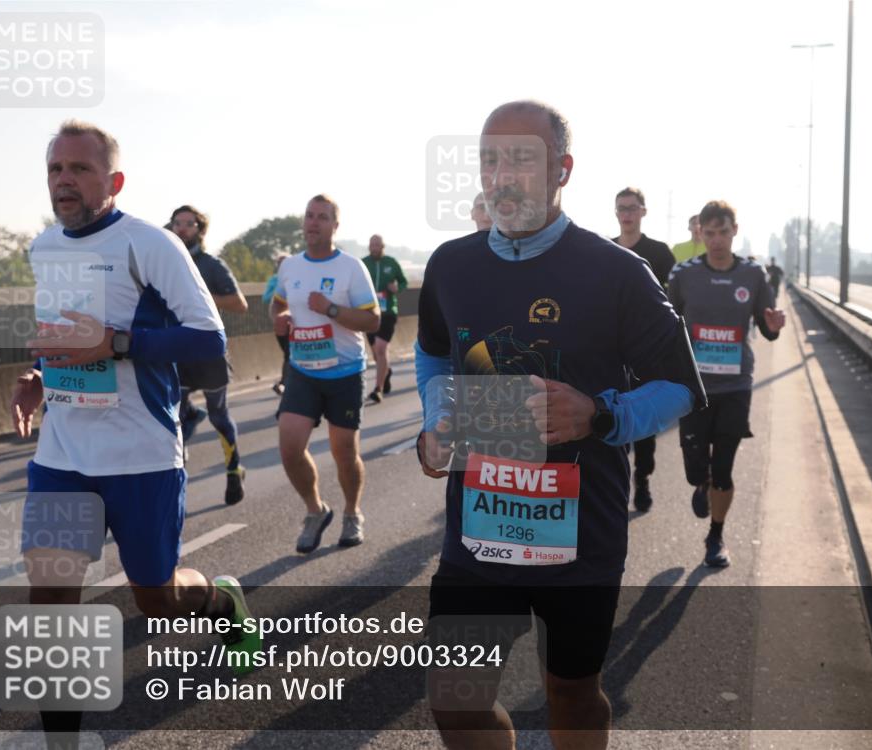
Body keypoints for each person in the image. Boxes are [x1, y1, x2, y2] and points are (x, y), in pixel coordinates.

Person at [415, 101, 705, 749]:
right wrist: (436, 418)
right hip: (478, 531)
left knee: (570, 694)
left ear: (562, 170)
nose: (502, 174)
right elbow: (434, 349)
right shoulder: (450, 265)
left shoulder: (617, 272)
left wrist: (601, 413)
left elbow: (682, 385)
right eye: (490, 159)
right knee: (454, 701)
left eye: (522, 158)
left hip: (579, 535)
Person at [11, 120, 260, 741]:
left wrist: (118, 343)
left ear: (113, 181)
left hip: (141, 454)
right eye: (54, 169)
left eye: (79, 169)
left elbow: (209, 338)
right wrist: (37, 375)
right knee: (50, 600)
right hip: (63, 453)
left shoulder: (149, 245)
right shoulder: (43, 248)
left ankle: (222, 598)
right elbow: (66, 336)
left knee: (159, 601)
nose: (63, 181)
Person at [667, 200, 786, 568]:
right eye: (709, 233)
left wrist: (773, 325)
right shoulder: (683, 274)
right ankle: (700, 481)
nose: (716, 240)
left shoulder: (752, 275)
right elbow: (665, 326)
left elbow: (767, 329)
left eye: (723, 232)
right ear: (700, 232)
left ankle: (716, 536)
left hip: (735, 385)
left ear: (734, 231)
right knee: (694, 468)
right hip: (693, 387)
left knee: (725, 468)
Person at [269, 195, 380, 552]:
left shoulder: (351, 268)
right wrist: (280, 318)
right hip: (303, 371)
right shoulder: (290, 267)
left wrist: (331, 309)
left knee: (344, 451)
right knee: (289, 447)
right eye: (309, 216)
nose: (313, 222)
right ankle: (316, 510)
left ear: (335, 226)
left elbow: (372, 319)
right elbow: (279, 301)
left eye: (322, 217)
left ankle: (352, 512)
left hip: (345, 371)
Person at [169, 204, 248, 505]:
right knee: (172, 418)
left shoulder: (213, 265)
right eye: (177, 223)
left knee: (218, 416)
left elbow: (239, 304)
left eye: (188, 224)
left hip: (209, 354)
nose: (181, 229)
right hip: (177, 353)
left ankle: (233, 469)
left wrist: (202, 296)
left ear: (200, 230)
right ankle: (176, 483)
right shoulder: (164, 262)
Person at [611, 187, 676, 513]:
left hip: (647, 352)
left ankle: (643, 479)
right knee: (612, 417)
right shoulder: (604, 251)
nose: (627, 214)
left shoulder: (660, 253)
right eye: (622, 208)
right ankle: (617, 484)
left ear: (643, 212)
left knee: (644, 425)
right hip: (611, 351)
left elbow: (674, 304)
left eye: (632, 208)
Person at [362, 234, 408, 403]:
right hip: (368, 312)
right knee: (375, 353)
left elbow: (404, 282)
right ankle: (385, 371)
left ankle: (378, 389)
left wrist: (397, 288)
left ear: (383, 246)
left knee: (381, 349)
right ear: (369, 246)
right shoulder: (363, 263)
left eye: (378, 245)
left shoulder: (391, 263)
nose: (375, 248)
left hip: (388, 311)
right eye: (372, 245)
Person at [264, 253, 290, 395]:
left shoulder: (297, 276)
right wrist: (279, 291)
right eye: (280, 263)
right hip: (279, 322)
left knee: (290, 353)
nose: (282, 266)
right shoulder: (274, 280)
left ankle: (284, 383)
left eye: (285, 262)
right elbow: (265, 297)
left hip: (295, 323)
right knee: (288, 353)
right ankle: (285, 383)